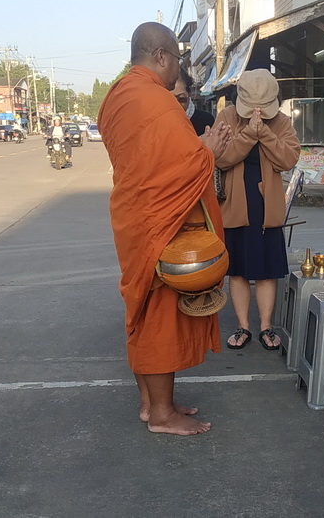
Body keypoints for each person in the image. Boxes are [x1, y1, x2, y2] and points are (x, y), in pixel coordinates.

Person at [98, 22, 232, 436]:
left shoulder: (118, 95)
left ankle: (151, 404)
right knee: (158, 317)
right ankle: (161, 415)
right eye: (177, 59)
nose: (179, 68)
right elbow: (179, 168)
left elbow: (148, 163)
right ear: (161, 56)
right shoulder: (155, 100)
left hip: (135, 215)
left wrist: (199, 151)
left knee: (142, 313)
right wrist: (208, 152)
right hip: (161, 223)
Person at [207, 69, 301, 352]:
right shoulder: (227, 117)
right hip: (234, 204)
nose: (258, 113)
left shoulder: (281, 122)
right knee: (237, 270)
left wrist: (266, 134)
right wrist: (249, 134)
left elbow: (288, 159)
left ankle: (266, 326)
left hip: (266, 206)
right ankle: (243, 326)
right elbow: (221, 158)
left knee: (266, 270)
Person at [173, 68, 215, 136]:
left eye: (181, 99)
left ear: (189, 94)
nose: (176, 105)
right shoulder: (157, 123)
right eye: (169, 100)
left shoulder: (206, 121)